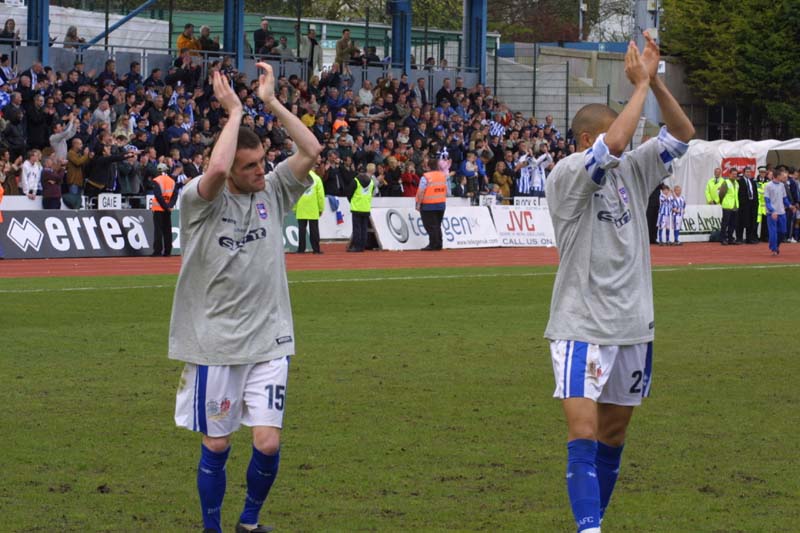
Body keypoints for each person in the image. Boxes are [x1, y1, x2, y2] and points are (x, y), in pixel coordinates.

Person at [543, 33, 693, 533]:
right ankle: (590, 529)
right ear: (587, 140)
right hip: (581, 323)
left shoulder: (633, 170)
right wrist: (637, 88)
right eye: (611, 137)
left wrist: (656, 85)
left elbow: (683, 132)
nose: (624, 146)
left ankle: (593, 521)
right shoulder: (566, 175)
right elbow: (618, 141)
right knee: (583, 433)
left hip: (633, 324)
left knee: (614, 435)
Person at [169, 63, 321, 533]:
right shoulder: (201, 201)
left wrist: (271, 102)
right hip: (216, 342)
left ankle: (249, 522)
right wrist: (233, 110)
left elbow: (312, 149)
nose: (261, 171)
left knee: (268, 443)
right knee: (217, 446)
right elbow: (216, 168)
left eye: (262, 163)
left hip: (269, 338)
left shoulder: (273, 191)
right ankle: (210, 527)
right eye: (250, 166)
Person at [416, 156, 449, 251]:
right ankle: (438, 243)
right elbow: (447, 190)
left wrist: (418, 203)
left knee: (430, 226)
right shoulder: (442, 176)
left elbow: (421, 191)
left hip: (428, 205)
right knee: (437, 225)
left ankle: (433, 244)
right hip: (441, 204)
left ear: (429, 167)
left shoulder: (426, 177)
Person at [293, 158, 325, 254]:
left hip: (301, 207)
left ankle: (301, 249)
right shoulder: (317, 179)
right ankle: (316, 249)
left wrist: (295, 208)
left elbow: (295, 194)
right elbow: (320, 196)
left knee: (301, 230)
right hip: (313, 207)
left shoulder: (299, 178)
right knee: (314, 229)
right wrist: (321, 208)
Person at [151, 163, 178, 257]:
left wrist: (165, 206)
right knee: (167, 230)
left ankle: (157, 251)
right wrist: (169, 206)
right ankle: (168, 251)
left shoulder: (156, 180)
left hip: (158, 208)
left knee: (158, 230)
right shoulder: (172, 181)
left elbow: (158, 196)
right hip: (168, 209)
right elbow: (175, 195)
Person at [765, 168, 790, 256]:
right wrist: (772, 211)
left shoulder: (782, 185)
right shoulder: (768, 185)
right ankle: (774, 249)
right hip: (772, 214)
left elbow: (784, 198)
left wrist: (790, 205)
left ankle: (776, 246)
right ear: (777, 176)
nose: (783, 176)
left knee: (783, 232)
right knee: (773, 232)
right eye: (781, 175)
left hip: (781, 212)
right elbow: (767, 200)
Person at [346, 171, 374, 252]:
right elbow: (371, 193)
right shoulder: (371, 182)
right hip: (366, 207)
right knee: (364, 228)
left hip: (356, 208)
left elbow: (349, 193)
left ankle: (357, 246)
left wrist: (352, 201)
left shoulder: (355, 181)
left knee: (357, 228)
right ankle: (362, 246)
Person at [736, 167, 759, 244]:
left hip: (752, 204)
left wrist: (756, 203)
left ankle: (749, 238)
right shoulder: (740, 181)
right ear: (744, 173)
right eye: (747, 172)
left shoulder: (752, 182)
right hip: (743, 205)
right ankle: (739, 238)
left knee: (751, 222)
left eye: (749, 172)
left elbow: (755, 193)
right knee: (741, 221)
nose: (748, 173)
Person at [717, 169, 739, 245]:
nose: (735, 175)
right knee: (725, 223)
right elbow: (721, 194)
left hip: (735, 206)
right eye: (733, 174)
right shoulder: (726, 182)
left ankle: (730, 238)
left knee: (733, 224)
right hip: (727, 206)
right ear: (729, 174)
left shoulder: (736, 183)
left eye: (736, 174)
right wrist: (722, 202)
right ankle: (723, 238)